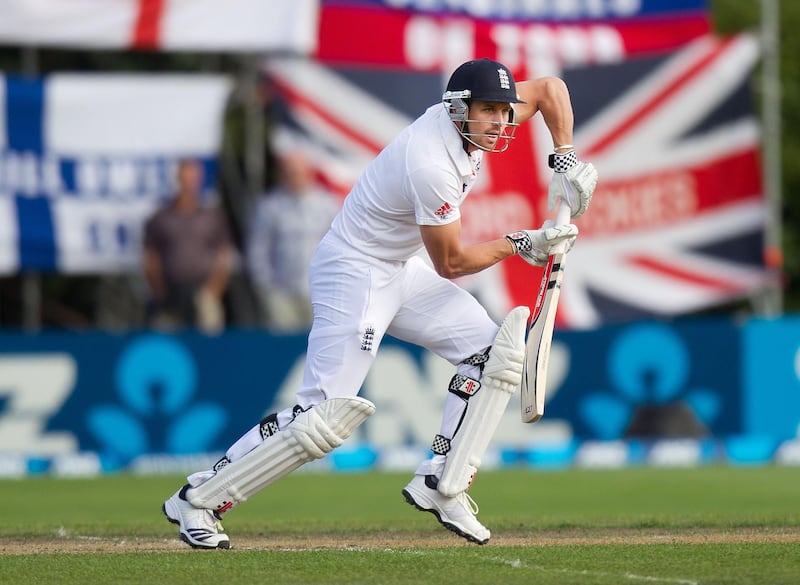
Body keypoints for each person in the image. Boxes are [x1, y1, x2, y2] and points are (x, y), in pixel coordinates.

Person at [162, 58, 597, 548]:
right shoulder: (431, 163)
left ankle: (441, 480)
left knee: (491, 353)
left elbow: (550, 89)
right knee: (321, 419)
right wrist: (522, 243)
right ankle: (198, 499)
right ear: (459, 110)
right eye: (489, 112)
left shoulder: (476, 121)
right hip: (355, 270)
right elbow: (451, 262)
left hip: (398, 267)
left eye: (504, 110)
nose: (500, 124)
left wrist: (564, 160)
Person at [246, 150, 340, 332]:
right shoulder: (269, 207)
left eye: (297, 172)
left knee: (318, 341)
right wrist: (266, 286)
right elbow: (258, 248)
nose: (293, 177)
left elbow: (339, 246)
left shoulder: (327, 205)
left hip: (318, 292)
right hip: (280, 291)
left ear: (309, 173)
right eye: (288, 172)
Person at [143, 159, 234, 334]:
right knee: (165, 340)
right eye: (184, 178)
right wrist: (159, 290)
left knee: (210, 337)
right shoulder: (161, 217)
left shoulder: (212, 216)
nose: (188, 184)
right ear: (177, 179)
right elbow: (151, 257)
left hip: (203, 290)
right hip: (170, 291)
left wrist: (213, 289)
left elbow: (223, 255)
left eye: (192, 179)